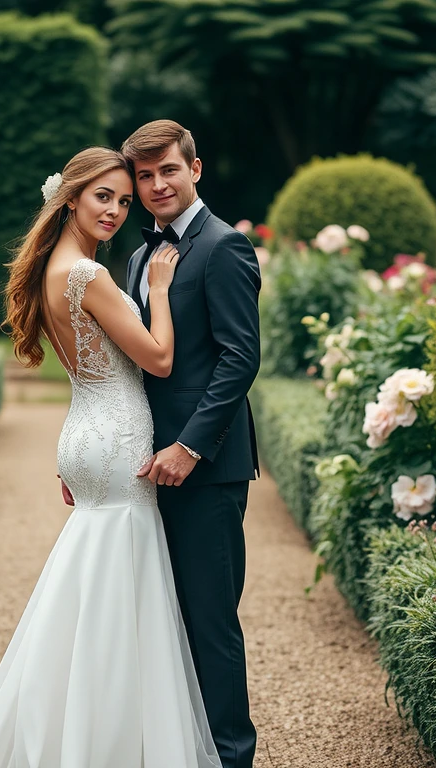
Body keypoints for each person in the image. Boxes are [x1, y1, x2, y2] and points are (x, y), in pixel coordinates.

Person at [0, 145, 221, 768]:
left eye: (125, 201)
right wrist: (159, 286)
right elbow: (158, 358)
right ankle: (109, 735)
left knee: (89, 575)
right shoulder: (89, 275)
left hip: (85, 432)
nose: (117, 210)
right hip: (117, 435)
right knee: (120, 581)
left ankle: (75, 724)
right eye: (104, 197)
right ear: (70, 199)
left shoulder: (55, 268)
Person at [118, 119, 261, 768]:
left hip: (204, 472)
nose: (155, 185)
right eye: (144, 176)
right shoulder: (136, 257)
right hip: (145, 469)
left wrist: (190, 448)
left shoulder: (224, 246)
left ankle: (231, 759)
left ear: (194, 170)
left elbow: (239, 360)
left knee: (209, 625)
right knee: (156, 624)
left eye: (167, 170)